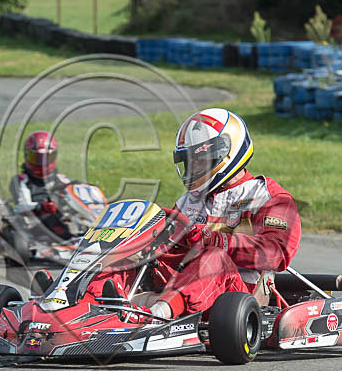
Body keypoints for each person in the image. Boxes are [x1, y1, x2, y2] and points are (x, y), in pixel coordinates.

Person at [89, 107, 301, 320]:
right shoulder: (189, 201)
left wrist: (214, 239)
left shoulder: (269, 197)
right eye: (190, 161)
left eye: (200, 160)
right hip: (182, 283)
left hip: (237, 297)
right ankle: (85, 306)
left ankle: (155, 317)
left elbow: (276, 254)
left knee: (214, 257)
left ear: (225, 153)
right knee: (129, 255)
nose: (194, 167)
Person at [9, 130, 73, 240]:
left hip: (63, 221)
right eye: (37, 158)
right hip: (34, 226)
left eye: (47, 158)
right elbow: (20, 207)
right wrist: (41, 207)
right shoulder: (21, 180)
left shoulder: (62, 180)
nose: (43, 163)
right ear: (27, 156)